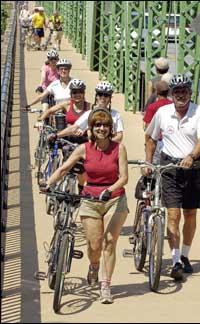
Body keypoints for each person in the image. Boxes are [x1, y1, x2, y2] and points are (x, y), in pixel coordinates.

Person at [40, 107, 129, 304]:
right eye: (97, 125)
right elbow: (64, 169)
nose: (102, 128)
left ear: (111, 128)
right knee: (94, 245)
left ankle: (106, 285)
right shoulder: (83, 149)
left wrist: (110, 189)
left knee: (109, 242)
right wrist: (48, 183)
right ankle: (94, 265)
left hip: (114, 198)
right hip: (90, 199)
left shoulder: (119, 148)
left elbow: (124, 178)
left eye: (106, 125)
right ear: (91, 128)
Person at [144, 74, 200, 280]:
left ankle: (185, 254)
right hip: (170, 167)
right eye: (177, 92)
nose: (180, 95)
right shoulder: (163, 113)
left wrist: (191, 156)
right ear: (171, 94)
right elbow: (150, 137)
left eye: (184, 91)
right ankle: (175, 261)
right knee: (173, 214)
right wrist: (148, 162)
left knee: (190, 213)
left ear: (190, 93)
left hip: (193, 168)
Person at [52, 81, 124, 143]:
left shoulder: (116, 115)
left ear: (110, 98)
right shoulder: (89, 113)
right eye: (100, 94)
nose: (103, 97)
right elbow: (74, 128)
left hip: (110, 149)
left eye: (106, 95)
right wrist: (56, 135)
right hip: (94, 149)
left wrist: (106, 144)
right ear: (96, 96)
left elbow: (119, 136)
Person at [143, 80, 173, 164]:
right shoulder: (172, 105)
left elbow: (148, 128)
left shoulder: (152, 107)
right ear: (168, 92)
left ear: (156, 92)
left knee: (154, 167)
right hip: (169, 141)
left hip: (155, 141)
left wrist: (147, 144)